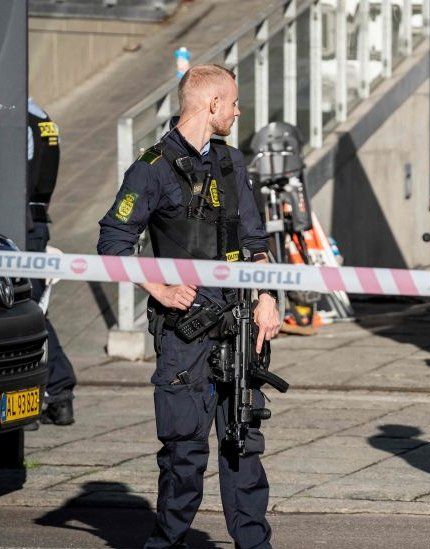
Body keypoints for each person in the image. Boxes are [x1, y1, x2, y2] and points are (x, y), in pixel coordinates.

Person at [97, 64, 282, 549]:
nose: (239, 111)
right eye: (234, 103)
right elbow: (113, 245)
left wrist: (266, 296)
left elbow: (254, 239)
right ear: (212, 105)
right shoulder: (152, 167)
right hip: (185, 333)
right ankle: (167, 542)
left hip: (239, 324)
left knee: (244, 444)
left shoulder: (231, 162)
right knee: (184, 452)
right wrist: (157, 288)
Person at [25, 97, 78, 426]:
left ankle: (40, 395)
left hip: (22, 224)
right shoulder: (40, 115)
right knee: (31, 310)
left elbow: (21, 177)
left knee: (23, 313)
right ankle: (57, 392)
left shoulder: (19, 117)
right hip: (34, 221)